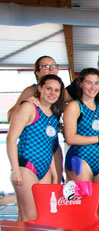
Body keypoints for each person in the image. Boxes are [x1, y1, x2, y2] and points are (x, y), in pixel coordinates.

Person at [7, 74, 63, 221]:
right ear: (39, 88)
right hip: (26, 166)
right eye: (49, 89)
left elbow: (48, 145)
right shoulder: (28, 107)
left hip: (44, 169)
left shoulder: (52, 115)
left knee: (39, 215)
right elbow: (11, 139)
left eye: (56, 90)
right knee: (29, 217)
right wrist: (16, 171)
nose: (52, 93)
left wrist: (54, 172)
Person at [63, 68, 99, 183]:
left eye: (96, 83)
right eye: (88, 83)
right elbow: (70, 138)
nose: (93, 87)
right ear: (81, 84)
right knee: (85, 198)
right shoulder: (74, 106)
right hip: (81, 157)